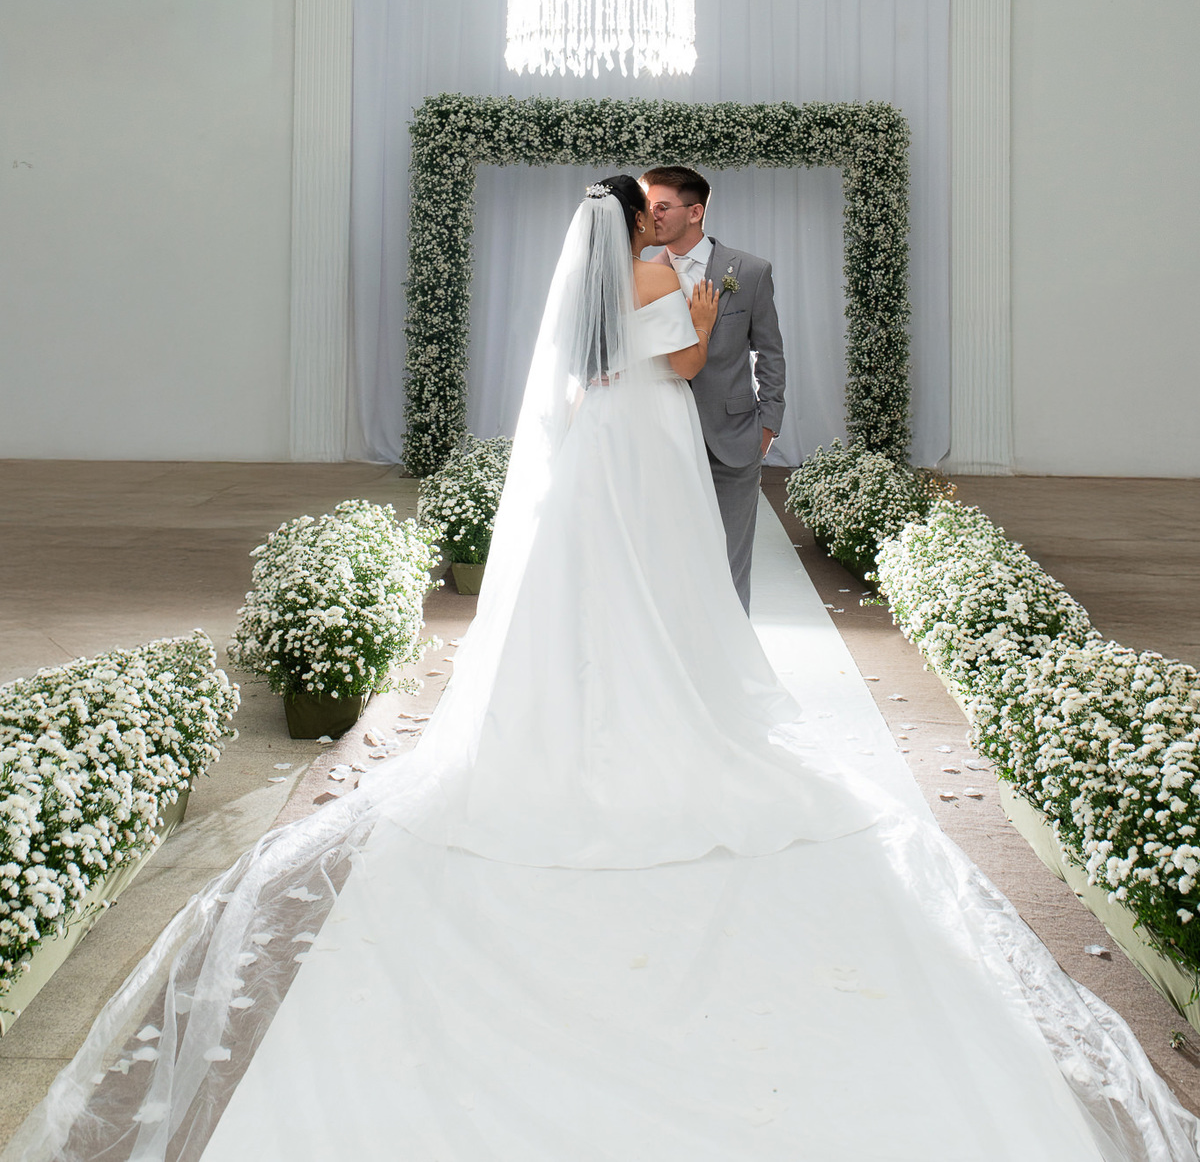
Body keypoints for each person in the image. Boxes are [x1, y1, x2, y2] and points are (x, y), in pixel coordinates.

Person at [8, 180, 1198, 1162]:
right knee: (664, 576)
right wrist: (702, 299)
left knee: (590, 580)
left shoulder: (585, 288)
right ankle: (662, 689)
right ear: (637, 224)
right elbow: (679, 368)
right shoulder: (656, 276)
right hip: (652, 441)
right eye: (651, 214)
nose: (661, 222)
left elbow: (587, 377)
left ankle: (580, 701)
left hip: (594, 447)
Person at [641, 166, 784, 612]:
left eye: (661, 207)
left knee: (730, 561)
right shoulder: (641, 274)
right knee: (669, 558)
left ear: (695, 211)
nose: (651, 215)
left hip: (733, 437)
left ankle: (734, 649)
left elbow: (770, 352)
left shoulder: (751, 271)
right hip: (661, 438)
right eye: (648, 206)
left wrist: (768, 424)